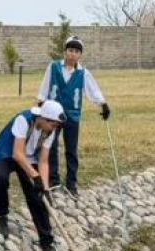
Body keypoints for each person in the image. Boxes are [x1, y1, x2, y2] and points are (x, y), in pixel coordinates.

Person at [0, 101, 66, 251]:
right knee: (0, 178)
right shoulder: (24, 120)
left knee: (37, 198)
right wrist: (35, 176)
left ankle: (46, 243)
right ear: (44, 119)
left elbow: (43, 161)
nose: (54, 129)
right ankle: (1, 215)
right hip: (7, 153)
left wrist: (44, 186)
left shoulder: (50, 131)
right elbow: (17, 154)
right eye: (53, 125)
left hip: (29, 157)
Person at [37, 35, 110, 197]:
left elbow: (93, 90)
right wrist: (41, 102)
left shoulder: (83, 73)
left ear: (80, 54)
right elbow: (45, 85)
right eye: (70, 50)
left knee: (71, 149)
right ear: (65, 52)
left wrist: (103, 104)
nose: (73, 54)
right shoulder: (54, 67)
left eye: (77, 51)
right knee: (51, 146)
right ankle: (53, 179)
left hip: (73, 115)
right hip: (53, 115)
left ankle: (71, 183)